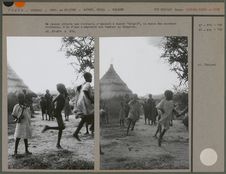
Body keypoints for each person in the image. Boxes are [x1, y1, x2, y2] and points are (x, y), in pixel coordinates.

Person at [42, 84, 67, 149]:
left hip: (58, 112)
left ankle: (58, 143)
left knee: (61, 128)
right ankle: (48, 128)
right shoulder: (60, 95)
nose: (57, 89)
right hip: (57, 112)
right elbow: (52, 102)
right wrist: (53, 110)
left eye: (58, 88)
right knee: (61, 128)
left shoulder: (62, 94)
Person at [73, 72, 94, 141]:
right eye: (91, 77)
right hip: (85, 103)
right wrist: (91, 99)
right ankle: (92, 127)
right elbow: (85, 91)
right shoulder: (87, 84)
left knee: (84, 118)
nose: (92, 79)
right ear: (88, 78)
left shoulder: (84, 84)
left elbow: (79, 88)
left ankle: (76, 133)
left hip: (81, 102)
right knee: (94, 113)